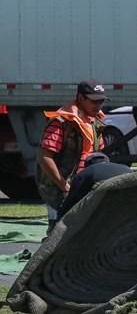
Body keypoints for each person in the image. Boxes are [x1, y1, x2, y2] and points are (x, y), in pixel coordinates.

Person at [36, 80, 109, 232]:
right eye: (94, 101)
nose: (98, 105)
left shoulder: (96, 123)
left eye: (101, 101)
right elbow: (44, 158)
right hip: (60, 190)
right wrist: (65, 186)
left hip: (83, 187)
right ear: (80, 98)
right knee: (57, 234)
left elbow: (98, 155)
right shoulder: (61, 122)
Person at [56, 152, 132, 220]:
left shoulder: (86, 172)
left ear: (87, 165)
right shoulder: (126, 168)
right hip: (129, 206)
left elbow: (71, 201)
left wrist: (58, 218)